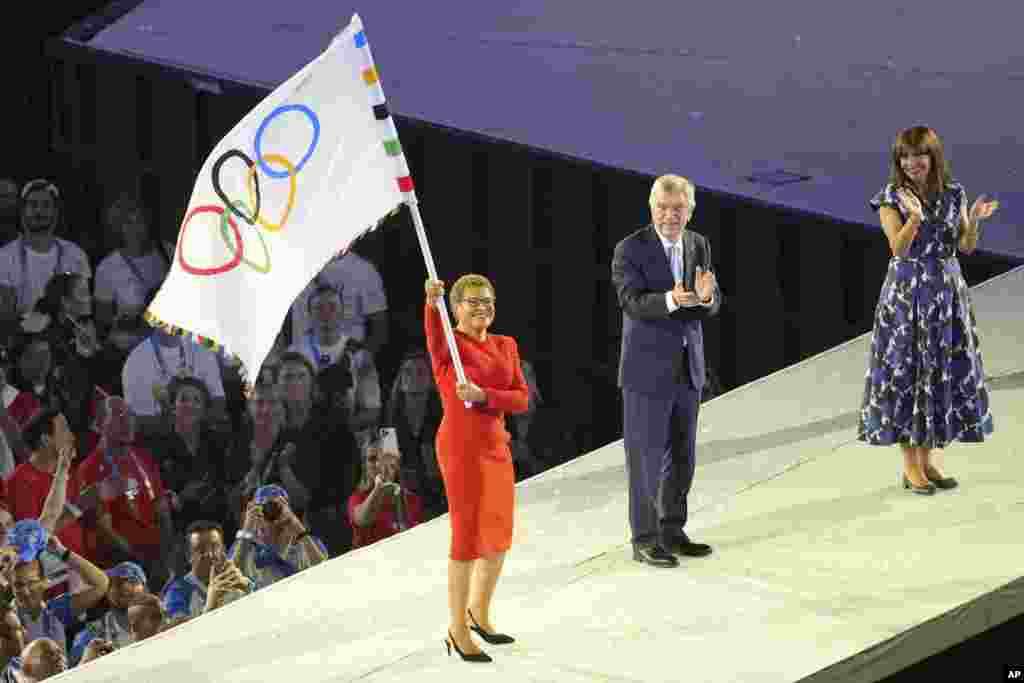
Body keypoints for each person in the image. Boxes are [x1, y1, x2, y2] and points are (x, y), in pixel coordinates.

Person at [858, 126, 997, 492]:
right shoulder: (891, 197)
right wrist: (915, 219)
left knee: (938, 374)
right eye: (904, 156)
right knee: (909, 374)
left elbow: (964, 246)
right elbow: (898, 249)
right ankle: (910, 466)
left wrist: (975, 221)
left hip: (947, 292)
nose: (911, 163)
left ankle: (927, 461)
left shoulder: (954, 193)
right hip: (909, 295)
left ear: (933, 156)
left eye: (918, 155)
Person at [611, 174, 722, 569]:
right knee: (644, 461)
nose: (670, 215)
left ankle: (672, 531)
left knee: (683, 458)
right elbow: (630, 301)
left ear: (690, 211)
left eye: (678, 209)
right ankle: (644, 539)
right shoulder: (630, 249)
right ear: (651, 208)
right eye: (663, 208)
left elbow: (710, 302)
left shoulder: (698, 244)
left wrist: (707, 298)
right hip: (645, 372)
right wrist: (671, 300)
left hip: (687, 370)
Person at [424, 274, 529, 663]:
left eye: (487, 300)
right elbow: (435, 331)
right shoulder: (448, 346)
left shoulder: (506, 344)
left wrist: (485, 396)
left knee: (499, 535)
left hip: (495, 447)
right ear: (455, 309)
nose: (482, 306)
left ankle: (480, 613)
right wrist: (431, 303)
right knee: (466, 540)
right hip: (460, 450)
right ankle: (457, 628)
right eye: (472, 301)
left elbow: (521, 399)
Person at [0, 180, 90, 327]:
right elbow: (4, 318)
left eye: (46, 205)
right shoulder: (4, 257)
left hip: (65, 341)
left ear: (56, 211)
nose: (39, 211)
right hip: (22, 342)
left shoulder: (75, 254)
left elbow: (83, 312)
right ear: (22, 211)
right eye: (33, 204)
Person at [231, 485, 327, 591]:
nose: (271, 511)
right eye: (265, 507)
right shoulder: (245, 548)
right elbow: (228, 577)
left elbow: (325, 572)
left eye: (277, 506)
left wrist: (296, 525)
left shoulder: (306, 542)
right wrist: (247, 528)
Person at [161, 521, 250, 625]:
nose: (210, 555)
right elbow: (183, 637)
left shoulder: (234, 578)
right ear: (189, 555)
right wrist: (211, 604)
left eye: (215, 547)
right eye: (201, 550)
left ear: (224, 550)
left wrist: (248, 589)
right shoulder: (176, 593)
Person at [347, 428, 423, 549]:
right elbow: (362, 519)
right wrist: (379, 488)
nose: (378, 464)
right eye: (372, 459)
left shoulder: (412, 499)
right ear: (364, 465)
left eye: (384, 458)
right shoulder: (358, 498)